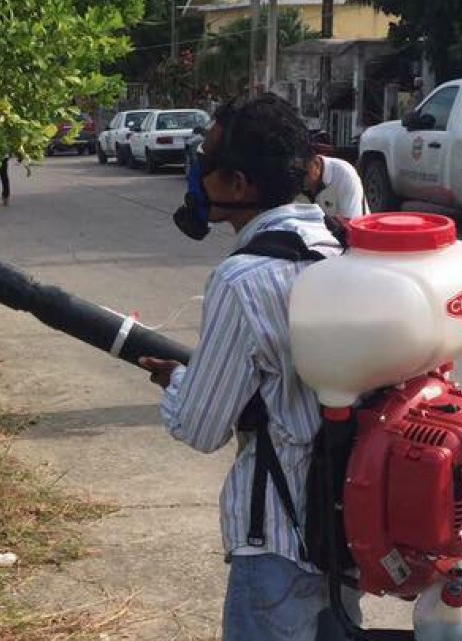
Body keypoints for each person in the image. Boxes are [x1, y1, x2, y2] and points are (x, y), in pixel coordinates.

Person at [139, 94, 361, 641]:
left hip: (278, 544)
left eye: (207, 161)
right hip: (346, 536)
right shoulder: (345, 246)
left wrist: (180, 382)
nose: (197, 173)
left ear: (239, 185)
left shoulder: (244, 279)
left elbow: (201, 427)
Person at [301, 152, 368, 220]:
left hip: (351, 227)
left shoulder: (346, 177)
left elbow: (351, 222)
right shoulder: (309, 179)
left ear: (317, 164)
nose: (301, 178)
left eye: (304, 173)